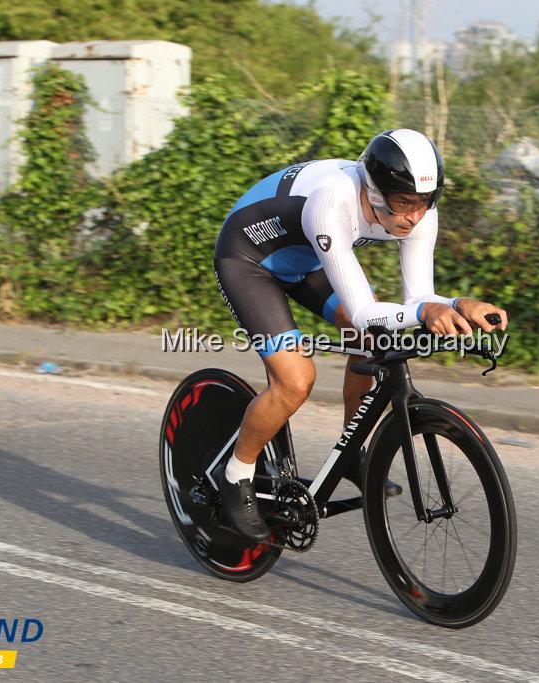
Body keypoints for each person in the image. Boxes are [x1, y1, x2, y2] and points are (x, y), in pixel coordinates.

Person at [213, 128, 508, 541]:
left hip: (309, 258)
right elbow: (367, 311)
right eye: (405, 203)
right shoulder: (333, 202)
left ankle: (351, 455)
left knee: (373, 341)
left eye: (425, 202)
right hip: (249, 259)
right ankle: (236, 473)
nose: (415, 215)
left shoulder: (419, 210)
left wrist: (459, 303)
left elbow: (419, 296)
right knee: (296, 382)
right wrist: (428, 310)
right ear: (373, 193)